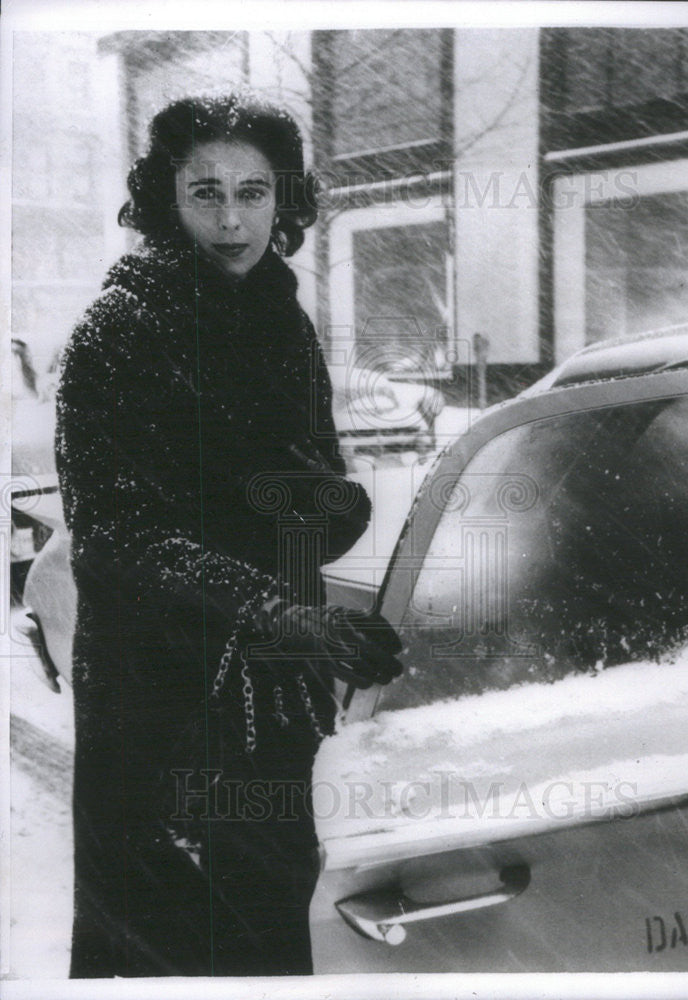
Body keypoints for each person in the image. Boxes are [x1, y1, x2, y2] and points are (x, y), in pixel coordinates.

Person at [55, 92, 402, 978]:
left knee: (270, 940)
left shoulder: (283, 324)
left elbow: (319, 508)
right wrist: (282, 614)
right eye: (204, 192)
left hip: (271, 705)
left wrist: (326, 506)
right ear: (163, 200)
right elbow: (115, 533)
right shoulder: (119, 333)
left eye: (254, 191)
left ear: (284, 201)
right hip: (157, 706)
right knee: (168, 947)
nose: (232, 216)